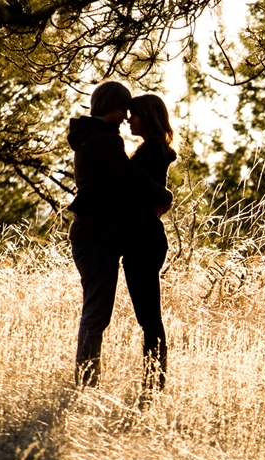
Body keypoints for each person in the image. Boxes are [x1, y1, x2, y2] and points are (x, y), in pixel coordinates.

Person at [66, 81, 173, 390]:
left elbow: (129, 183)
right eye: (125, 110)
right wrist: (165, 195)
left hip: (119, 239)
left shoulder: (99, 138)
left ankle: (97, 383)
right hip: (100, 237)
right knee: (99, 314)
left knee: (108, 314)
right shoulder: (105, 141)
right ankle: (88, 383)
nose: (127, 117)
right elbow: (130, 180)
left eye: (133, 113)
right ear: (111, 107)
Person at [126, 93, 178, 392]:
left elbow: (141, 192)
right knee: (149, 318)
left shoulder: (150, 151)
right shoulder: (155, 149)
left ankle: (154, 384)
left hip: (143, 241)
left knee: (149, 319)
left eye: (134, 114)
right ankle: (154, 382)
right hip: (148, 239)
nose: (129, 119)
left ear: (147, 116)